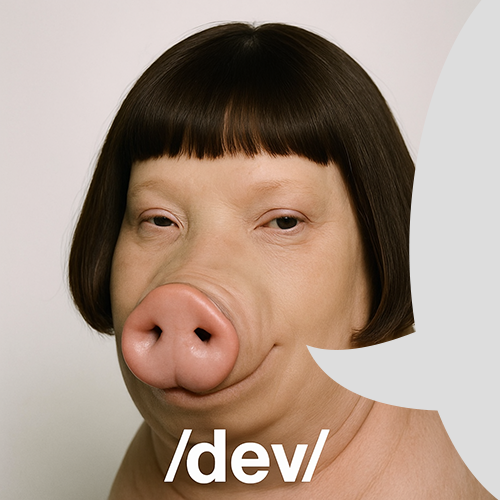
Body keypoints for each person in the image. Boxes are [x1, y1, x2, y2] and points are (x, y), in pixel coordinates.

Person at [68, 22, 494, 499]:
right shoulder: (154, 463)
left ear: (380, 250)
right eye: (159, 220)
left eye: (284, 221)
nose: (194, 269)